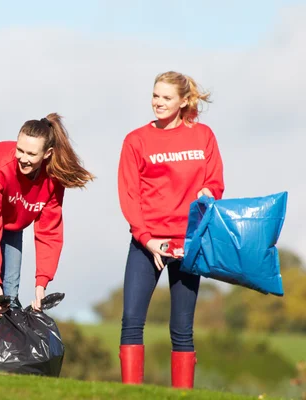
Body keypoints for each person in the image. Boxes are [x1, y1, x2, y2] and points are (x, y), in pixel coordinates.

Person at [117, 71, 224, 389]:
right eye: (155, 96)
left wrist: (210, 192)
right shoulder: (136, 140)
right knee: (132, 323)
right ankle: (129, 394)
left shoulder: (203, 135)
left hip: (189, 244)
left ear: (182, 101)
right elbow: (129, 195)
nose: (158, 103)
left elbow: (214, 180)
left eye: (166, 97)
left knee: (182, 329)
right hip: (147, 244)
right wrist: (148, 240)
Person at [0, 113, 94, 327]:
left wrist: (41, 285)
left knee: (11, 294)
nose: (23, 158)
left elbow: (49, 232)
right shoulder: (0, 168)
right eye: (20, 150)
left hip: (11, 219)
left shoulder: (53, 180)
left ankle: (10, 356)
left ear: (47, 154)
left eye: (31, 154)